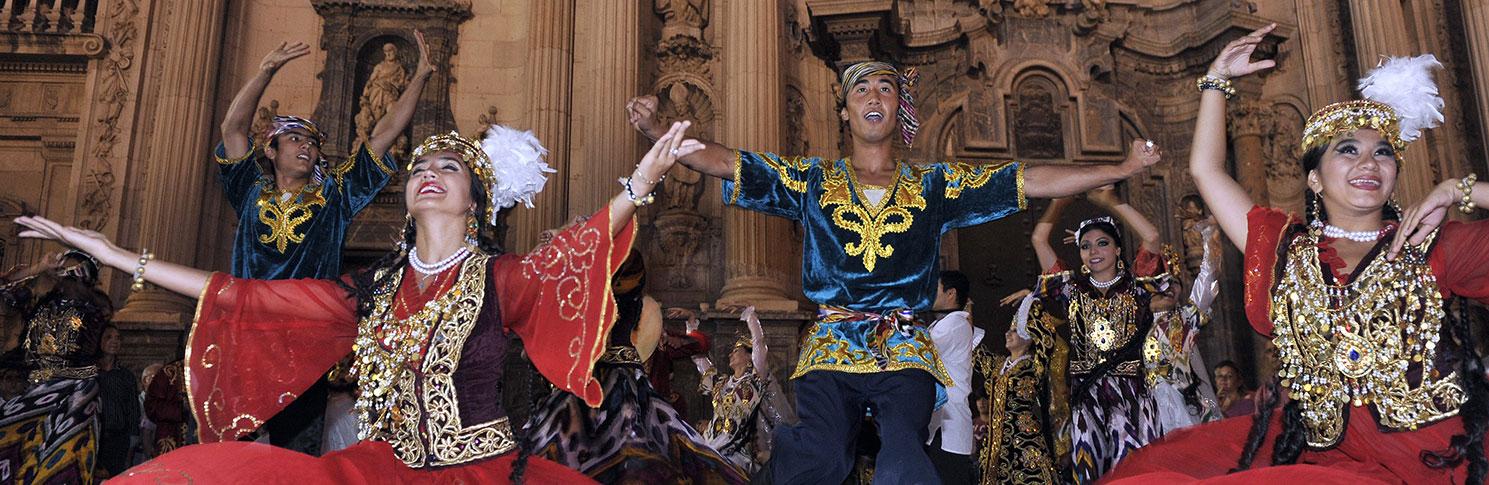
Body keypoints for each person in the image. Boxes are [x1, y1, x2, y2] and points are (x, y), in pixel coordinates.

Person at [18, 121, 704, 483]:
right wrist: (116, 255)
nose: (428, 175)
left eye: (448, 167)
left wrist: (638, 182)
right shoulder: (369, 289)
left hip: (483, 472)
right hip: (378, 469)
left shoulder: (503, 277)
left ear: (475, 201)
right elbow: (248, 296)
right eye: (419, 169)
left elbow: (575, 249)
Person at [627, 59, 1161, 484]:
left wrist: (1122, 168)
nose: (874, 97)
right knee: (818, 456)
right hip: (832, 342)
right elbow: (728, 162)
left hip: (903, 344)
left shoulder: (935, 184)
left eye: (884, 89)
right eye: (862, 91)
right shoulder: (812, 179)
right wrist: (658, 132)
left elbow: (1028, 179)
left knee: (904, 454)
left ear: (896, 105)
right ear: (846, 111)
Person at [1105, 24, 1489, 484]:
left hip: (1437, 457)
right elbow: (1205, 170)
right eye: (1349, 151)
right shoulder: (1286, 249)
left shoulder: (1435, 245)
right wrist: (1214, 80)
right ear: (1314, 179)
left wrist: (1460, 189)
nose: (1368, 164)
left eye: (1382, 153)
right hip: (1323, 454)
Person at [213, 33, 433, 456]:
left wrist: (420, 76)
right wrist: (265, 71)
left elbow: (384, 132)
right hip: (246, 338)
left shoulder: (335, 195)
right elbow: (232, 127)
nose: (307, 148)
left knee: (297, 455)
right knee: (233, 455)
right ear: (271, 150)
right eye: (295, 139)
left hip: (306, 346)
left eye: (313, 143)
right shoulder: (248, 190)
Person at [523, 251, 748, 483]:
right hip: (613, 376)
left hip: (619, 378)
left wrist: (691, 320)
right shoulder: (617, 303)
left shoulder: (629, 308)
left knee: (625, 430)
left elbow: (697, 344)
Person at [1027, 185, 1170, 483]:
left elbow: (1152, 237)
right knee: (1087, 473)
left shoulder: (1136, 286)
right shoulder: (1070, 289)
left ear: (1118, 249)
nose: (1094, 252)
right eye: (1085, 246)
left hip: (1131, 396)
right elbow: (1039, 239)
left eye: (1102, 243)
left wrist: (1112, 202)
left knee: (1132, 473)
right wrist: (1058, 202)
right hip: (1085, 396)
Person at [0, 251, 113, 484]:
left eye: (71, 268)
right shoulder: (39, 298)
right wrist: (38, 269)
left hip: (73, 391)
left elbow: (93, 309)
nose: (63, 271)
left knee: (60, 463)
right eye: (62, 267)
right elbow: (6, 291)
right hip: (29, 391)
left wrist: (73, 275)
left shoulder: (94, 305)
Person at [974, 290, 1060, 484]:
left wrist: (1029, 299)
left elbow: (1048, 336)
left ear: (1028, 336)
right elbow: (972, 350)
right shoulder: (997, 365)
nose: (1008, 333)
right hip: (994, 448)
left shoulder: (1034, 365)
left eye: (1014, 330)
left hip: (1024, 443)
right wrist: (964, 312)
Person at [693, 306, 791, 474]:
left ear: (749, 357)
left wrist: (749, 315)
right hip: (710, 447)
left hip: (737, 454)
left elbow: (759, 343)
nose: (731, 355)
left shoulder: (754, 381)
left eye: (736, 351)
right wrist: (691, 327)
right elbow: (700, 362)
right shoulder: (722, 383)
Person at [1142, 239, 1222, 432]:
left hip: (1188, 409)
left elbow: (1208, 282)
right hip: (1149, 415)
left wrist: (1209, 237)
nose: (1169, 289)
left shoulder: (1185, 319)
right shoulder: (1132, 326)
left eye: (1174, 283)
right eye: (1160, 284)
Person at [924, 271, 983, 485]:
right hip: (940, 424)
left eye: (935, 289)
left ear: (951, 294)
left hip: (949, 423)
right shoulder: (944, 324)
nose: (929, 294)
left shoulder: (954, 324)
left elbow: (919, 353)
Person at [96, 324, 141, 478]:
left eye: (118, 338)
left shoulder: (126, 376)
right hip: (93, 439)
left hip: (118, 441)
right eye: (109, 337)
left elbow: (133, 410)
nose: (114, 341)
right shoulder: (90, 374)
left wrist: (132, 441)